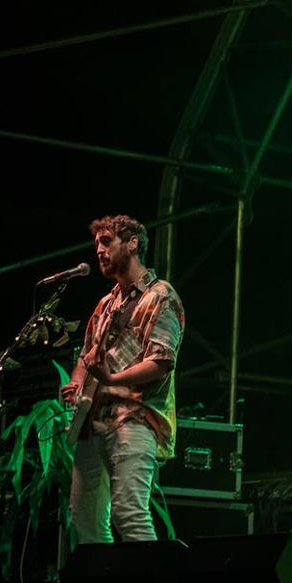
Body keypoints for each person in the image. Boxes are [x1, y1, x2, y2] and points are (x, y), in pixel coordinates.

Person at [60, 215, 185, 543]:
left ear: (132, 243)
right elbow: (85, 357)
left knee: (129, 513)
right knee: (83, 516)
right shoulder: (105, 303)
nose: (98, 250)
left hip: (134, 419)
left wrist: (112, 377)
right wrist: (76, 383)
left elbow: (161, 361)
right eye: (96, 244)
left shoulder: (160, 296)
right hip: (93, 420)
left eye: (106, 242)